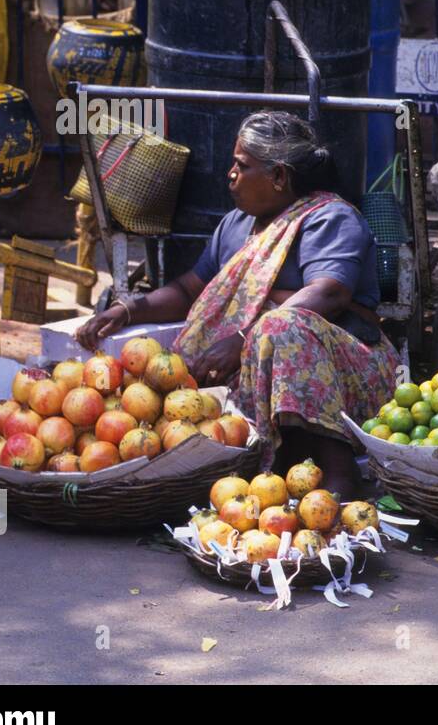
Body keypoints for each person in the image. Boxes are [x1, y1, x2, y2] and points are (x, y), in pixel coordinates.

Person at [77, 111, 399, 497]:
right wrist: (128, 310)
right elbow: (189, 290)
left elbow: (330, 292)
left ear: (279, 176)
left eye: (242, 166)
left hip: (349, 374)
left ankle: (339, 475)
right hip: (262, 367)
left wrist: (243, 337)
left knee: (281, 327)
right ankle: (277, 469)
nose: (230, 174)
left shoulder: (328, 218)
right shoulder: (235, 226)